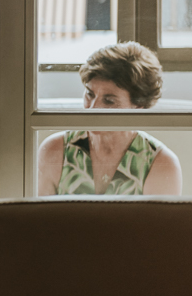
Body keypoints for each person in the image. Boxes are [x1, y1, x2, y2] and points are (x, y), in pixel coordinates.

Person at [37, 41, 182, 196]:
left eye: (109, 101)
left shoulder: (160, 164)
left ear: (139, 106)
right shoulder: (54, 151)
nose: (92, 108)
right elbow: (39, 219)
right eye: (89, 94)